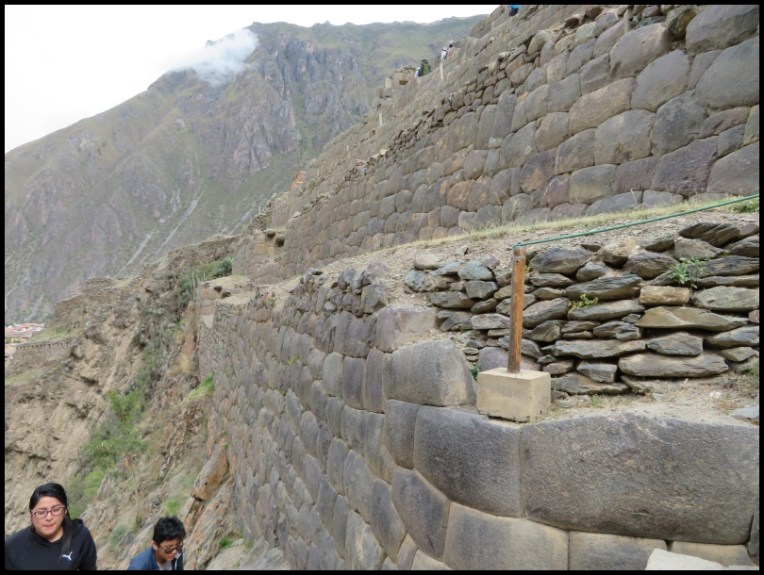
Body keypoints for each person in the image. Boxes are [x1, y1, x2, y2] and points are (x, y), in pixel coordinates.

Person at [5, 482, 98, 570]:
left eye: (56, 510)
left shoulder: (80, 537)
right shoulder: (12, 547)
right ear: (31, 514)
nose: (49, 517)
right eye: (41, 512)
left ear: (65, 510)